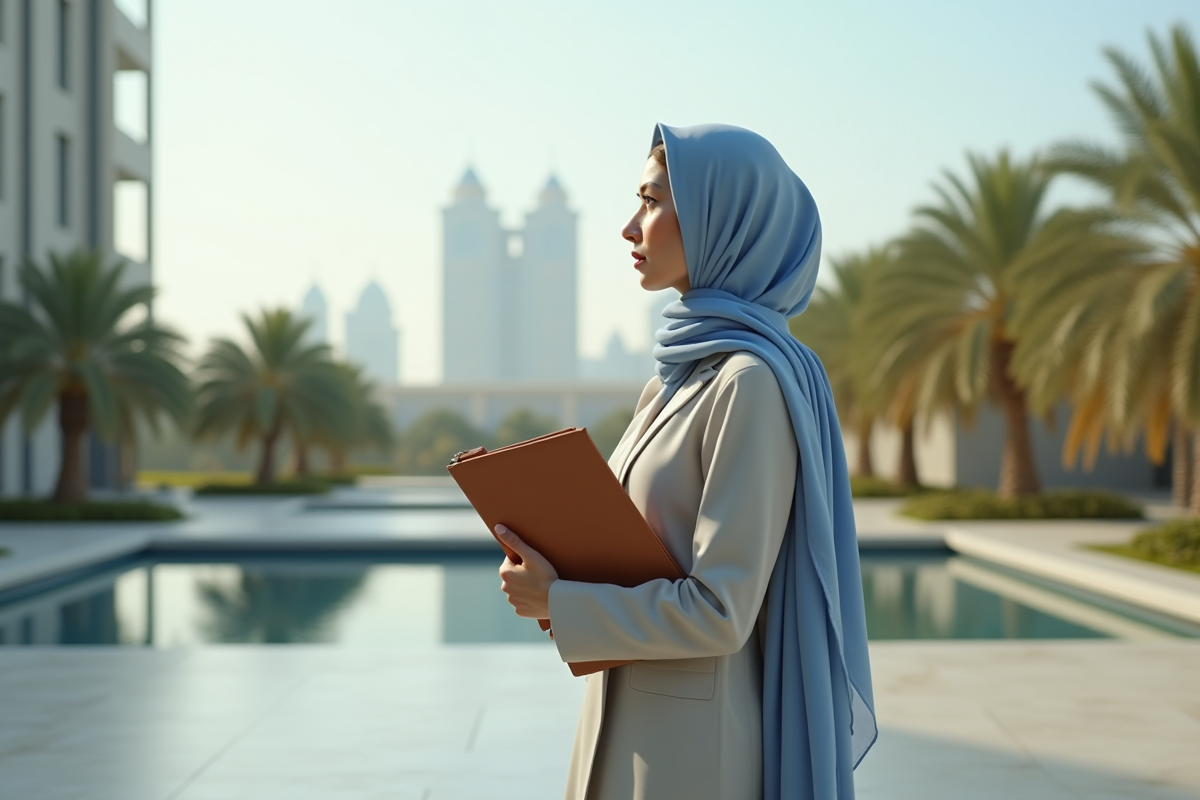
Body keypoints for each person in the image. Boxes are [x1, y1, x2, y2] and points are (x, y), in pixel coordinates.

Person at [495, 123, 876, 800]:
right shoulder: (671, 384)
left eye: (651, 202)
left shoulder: (748, 384)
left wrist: (560, 600)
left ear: (719, 220)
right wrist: (551, 580)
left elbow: (720, 610)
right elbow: (636, 561)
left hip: (691, 762)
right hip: (620, 734)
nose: (629, 227)